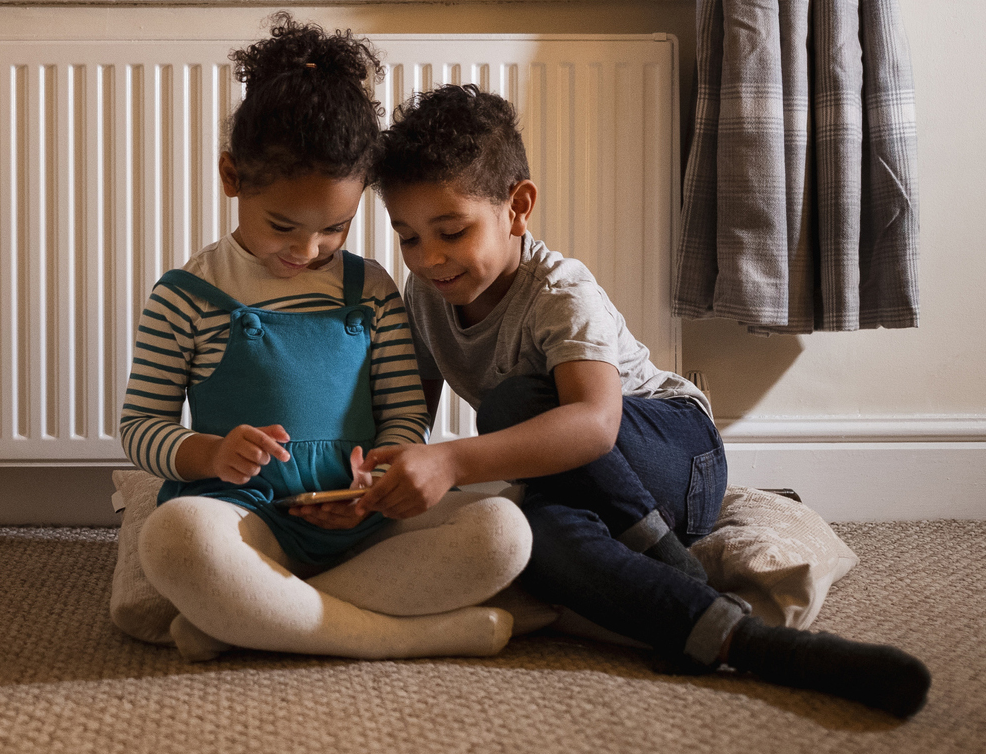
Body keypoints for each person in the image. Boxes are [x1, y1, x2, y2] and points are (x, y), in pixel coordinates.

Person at [355, 83, 931, 718]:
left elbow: (595, 425)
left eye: (451, 231)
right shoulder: (425, 298)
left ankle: (665, 556)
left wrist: (456, 462)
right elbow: (415, 408)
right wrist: (387, 468)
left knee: (512, 405)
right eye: (408, 238)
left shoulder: (559, 291)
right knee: (530, 535)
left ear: (517, 208)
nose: (429, 259)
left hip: (676, 454)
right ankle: (740, 639)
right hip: (579, 484)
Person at [120, 16, 532, 663]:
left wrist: (379, 483)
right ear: (231, 176)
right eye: (283, 225)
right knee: (172, 541)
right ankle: (401, 636)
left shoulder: (367, 289)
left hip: (361, 523)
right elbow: (140, 426)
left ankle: (246, 616)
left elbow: (402, 413)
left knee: (503, 532)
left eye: (334, 228)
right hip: (243, 517)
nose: (307, 249)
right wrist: (207, 454)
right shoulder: (184, 295)